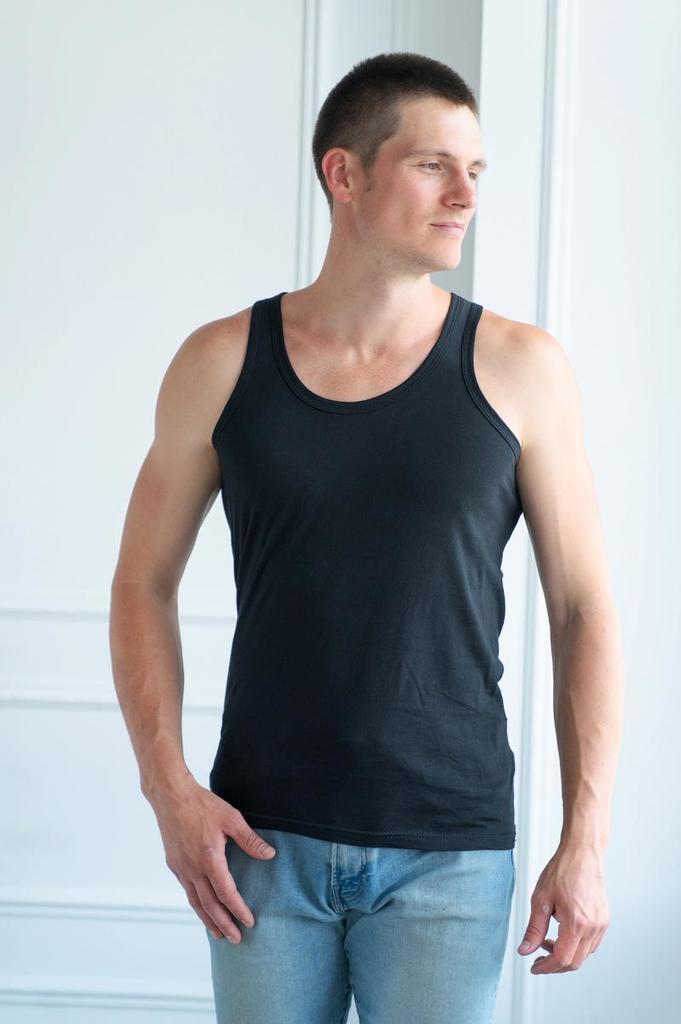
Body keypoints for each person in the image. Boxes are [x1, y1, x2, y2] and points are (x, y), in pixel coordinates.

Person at [109, 51, 623, 1024]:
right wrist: (168, 789)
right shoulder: (220, 362)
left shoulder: (523, 368)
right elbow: (142, 582)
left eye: (477, 170)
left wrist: (586, 837)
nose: (466, 195)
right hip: (258, 845)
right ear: (345, 174)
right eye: (434, 166)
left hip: (449, 854)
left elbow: (583, 607)